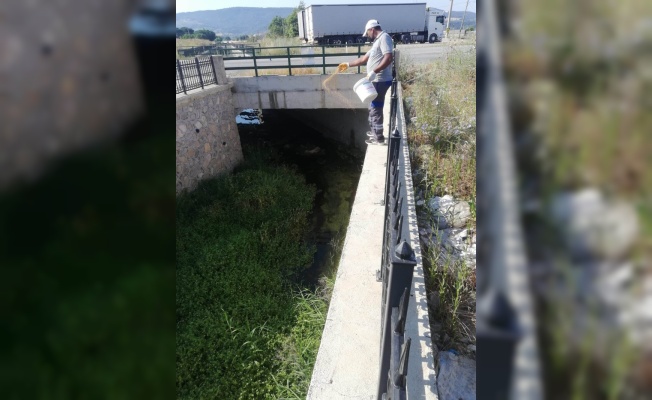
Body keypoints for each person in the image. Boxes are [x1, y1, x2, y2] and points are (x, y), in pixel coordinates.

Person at [338, 19, 394, 145]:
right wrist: (347, 64)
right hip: (375, 80)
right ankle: (374, 130)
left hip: (380, 79)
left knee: (376, 106)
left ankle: (378, 137)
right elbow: (364, 59)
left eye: (367, 33)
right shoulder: (376, 42)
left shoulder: (384, 38)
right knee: (372, 104)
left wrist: (375, 71)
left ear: (372, 29)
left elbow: (388, 57)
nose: (367, 36)